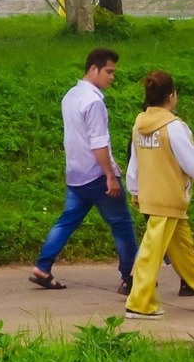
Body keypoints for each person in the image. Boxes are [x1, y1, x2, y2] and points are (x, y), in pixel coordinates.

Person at [123, 71, 194, 319]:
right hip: (170, 198)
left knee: (182, 249)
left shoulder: (139, 124)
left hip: (152, 197)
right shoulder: (174, 127)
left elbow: (135, 162)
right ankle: (139, 303)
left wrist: (135, 190)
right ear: (171, 97)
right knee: (152, 252)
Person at [29, 48, 138, 295]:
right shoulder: (94, 101)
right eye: (109, 71)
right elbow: (99, 143)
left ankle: (42, 267)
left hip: (76, 174)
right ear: (94, 69)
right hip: (98, 176)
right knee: (121, 225)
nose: (112, 77)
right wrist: (110, 176)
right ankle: (129, 277)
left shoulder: (70, 95)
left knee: (67, 220)